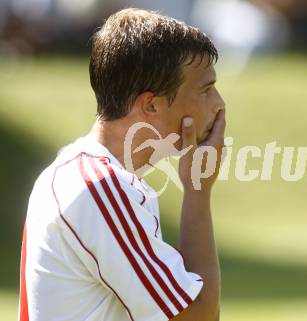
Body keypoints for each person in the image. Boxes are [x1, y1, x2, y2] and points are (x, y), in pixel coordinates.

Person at [19, 8, 226, 321]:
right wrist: (198, 191)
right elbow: (197, 316)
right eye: (206, 90)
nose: (219, 104)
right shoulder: (102, 187)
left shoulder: (79, 174)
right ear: (151, 105)